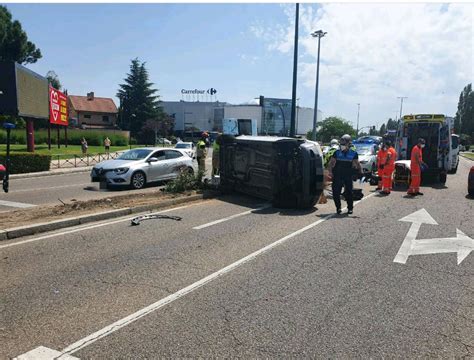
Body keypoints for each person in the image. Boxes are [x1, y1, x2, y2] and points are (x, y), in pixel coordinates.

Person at [328, 134, 363, 215]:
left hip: (348, 175)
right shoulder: (336, 153)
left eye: (344, 144)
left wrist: (360, 172)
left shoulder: (353, 153)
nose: (342, 146)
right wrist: (330, 172)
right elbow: (331, 163)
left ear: (348, 144)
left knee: (349, 193)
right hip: (338, 175)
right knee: (336, 193)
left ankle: (350, 208)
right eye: (341, 144)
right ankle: (338, 208)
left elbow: (357, 164)